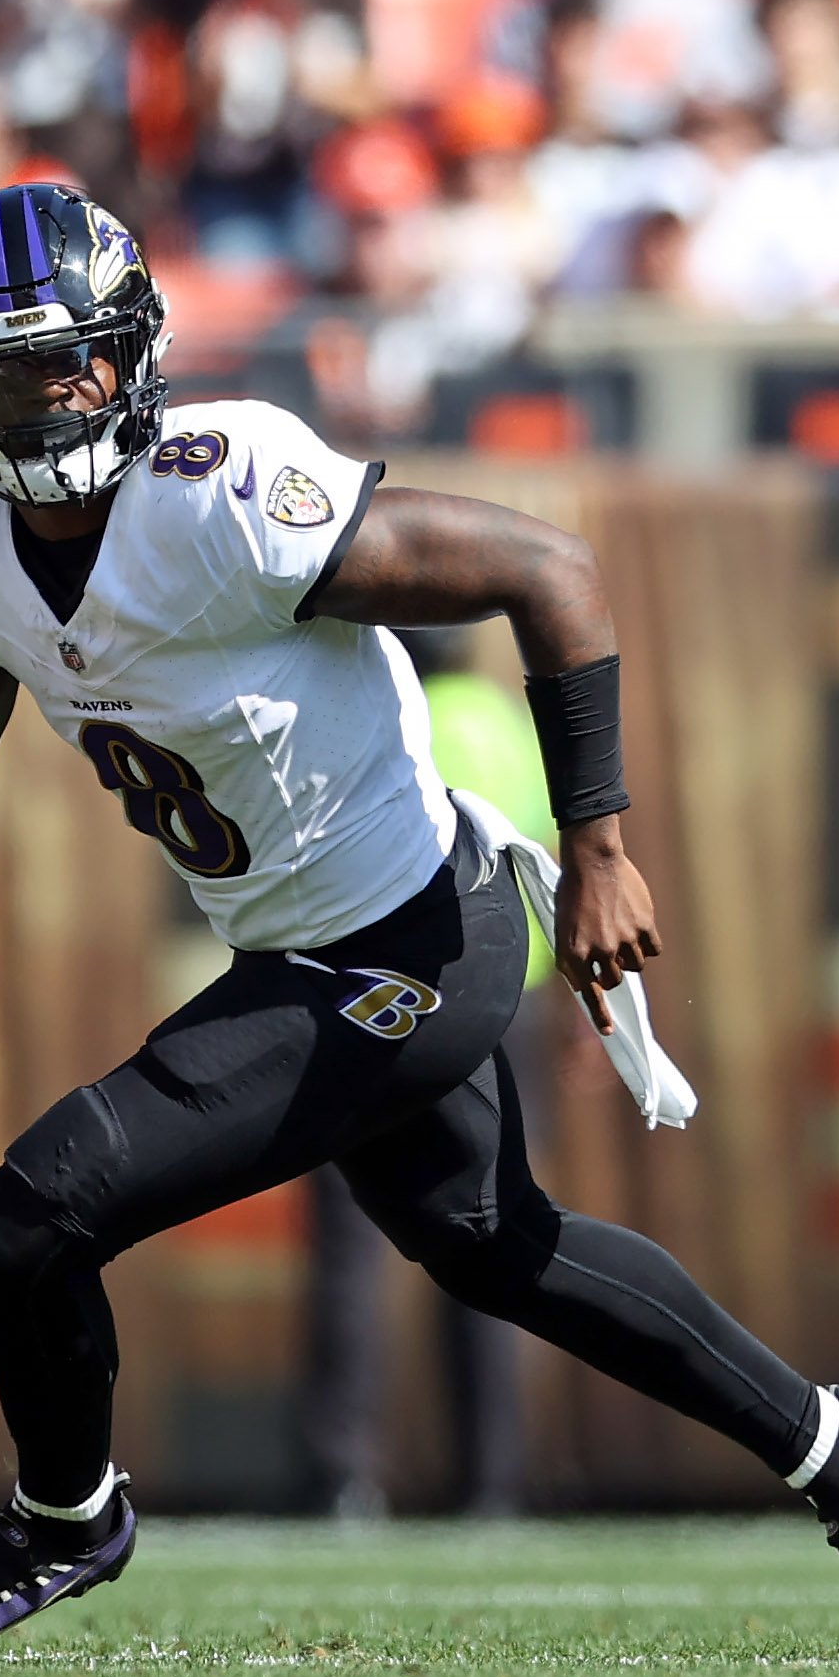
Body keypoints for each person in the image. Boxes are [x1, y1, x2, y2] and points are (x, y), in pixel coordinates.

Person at [0, 184, 839, 1658]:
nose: (52, 395)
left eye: (75, 359)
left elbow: (547, 572)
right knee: (490, 1242)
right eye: (10, 369)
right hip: (297, 943)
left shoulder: (219, 494)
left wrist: (597, 846)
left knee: (29, 1222)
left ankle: (62, 1519)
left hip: (410, 942)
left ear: (130, 354)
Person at [300, 625, 542, 1521]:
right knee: (495, 1234)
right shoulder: (505, 724)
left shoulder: (371, 716)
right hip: (509, 1001)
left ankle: (341, 1476)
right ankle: (493, 1481)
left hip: (372, 997)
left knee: (350, 1249)